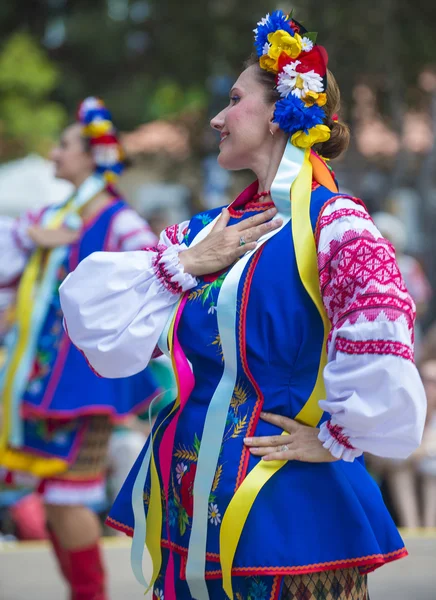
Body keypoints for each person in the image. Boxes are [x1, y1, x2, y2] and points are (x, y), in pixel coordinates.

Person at [60, 13, 426, 600]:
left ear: (282, 111)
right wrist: (182, 267)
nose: (217, 117)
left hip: (282, 512)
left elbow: (384, 336)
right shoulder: (208, 232)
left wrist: (339, 437)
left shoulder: (336, 227)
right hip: (185, 510)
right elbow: (91, 319)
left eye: (233, 100)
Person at [0, 97, 159, 600]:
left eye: (65, 144)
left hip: (85, 382)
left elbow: (157, 276)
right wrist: (33, 236)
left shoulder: (120, 222)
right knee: (51, 498)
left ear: (93, 156)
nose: (55, 152)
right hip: (46, 378)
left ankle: (90, 595)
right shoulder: (52, 216)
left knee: (69, 498)